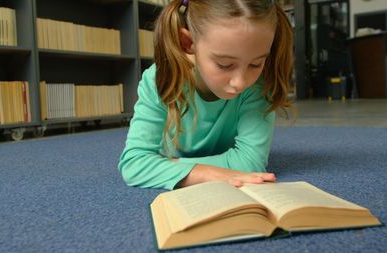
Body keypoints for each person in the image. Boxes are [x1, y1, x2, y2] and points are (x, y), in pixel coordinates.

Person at [119, 0, 293, 190]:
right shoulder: (158, 80)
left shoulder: (259, 85)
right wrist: (205, 173)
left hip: (171, 162)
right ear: (188, 43)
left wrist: (173, 165)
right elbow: (134, 165)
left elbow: (250, 162)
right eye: (225, 65)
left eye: (256, 64)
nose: (240, 82)